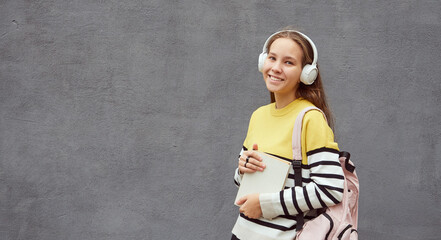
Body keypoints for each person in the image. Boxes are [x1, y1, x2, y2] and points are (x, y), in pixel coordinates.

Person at [231, 28, 345, 240]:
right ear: (262, 61)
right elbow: (241, 182)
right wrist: (242, 168)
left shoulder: (310, 118)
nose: (276, 68)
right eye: (272, 58)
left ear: (306, 73)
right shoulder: (259, 115)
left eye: (288, 62)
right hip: (242, 233)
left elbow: (331, 189)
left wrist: (266, 205)